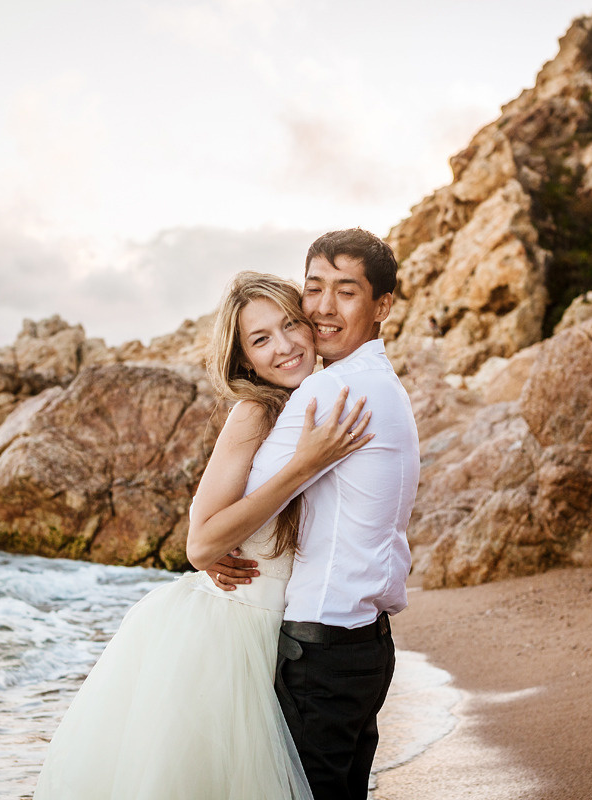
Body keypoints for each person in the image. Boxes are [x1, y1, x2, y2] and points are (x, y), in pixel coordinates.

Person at [32, 272, 372, 800]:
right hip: (231, 636)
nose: (284, 347)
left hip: (293, 632)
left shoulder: (321, 399)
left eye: (290, 325)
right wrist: (302, 467)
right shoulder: (254, 412)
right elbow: (200, 544)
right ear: (245, 361)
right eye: (261, 339)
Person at [208, 228, 420, 800]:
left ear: (382, 306)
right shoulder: (385, 385)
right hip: (366, 645)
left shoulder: (329, 392)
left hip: (323, 650)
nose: (323, 308)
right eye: (314, 289)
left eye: (345, 292)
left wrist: (213, 553)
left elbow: (213, 536)